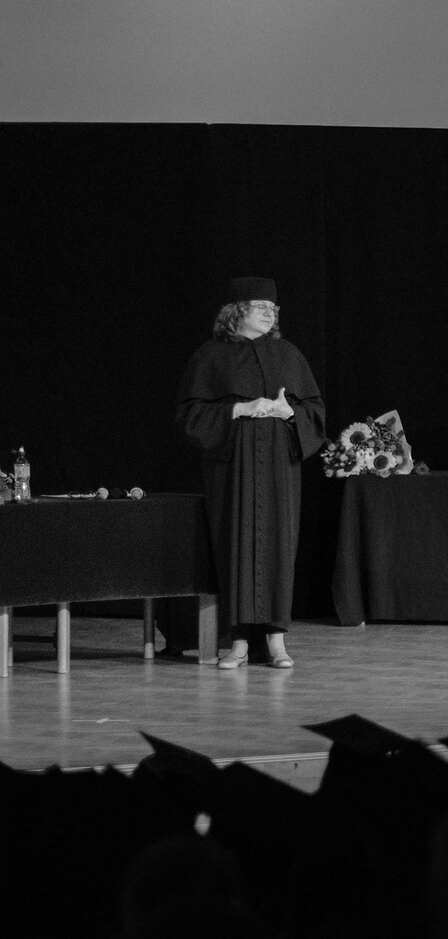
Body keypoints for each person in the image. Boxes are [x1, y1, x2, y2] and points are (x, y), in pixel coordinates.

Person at [175, 278, 325, 669]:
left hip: (279, 467)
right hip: (232, 468)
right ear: (236, 311)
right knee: (234, 546)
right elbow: (190, 416)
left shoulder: (289, 354)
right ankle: (237, 643)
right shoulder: (210, 356)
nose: (269, 313)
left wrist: (289, 413)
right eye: (260, 306)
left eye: (273, 308)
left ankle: (277, 642)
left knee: (279, 547)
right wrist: (239, 409)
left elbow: (315, 412)